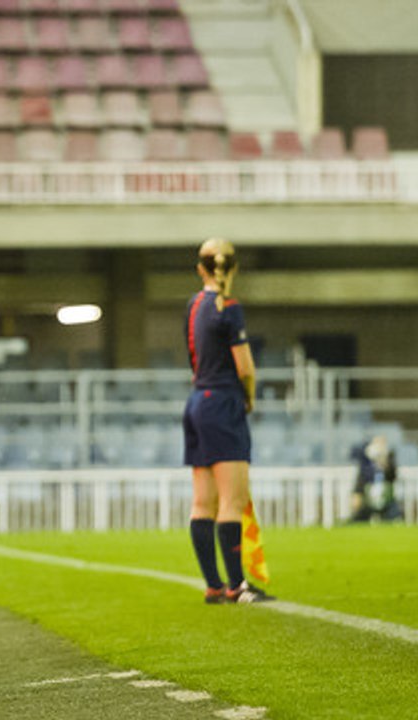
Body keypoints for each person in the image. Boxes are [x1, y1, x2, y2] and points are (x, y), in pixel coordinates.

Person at [182, 238, 273, 605]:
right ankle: (238, 585)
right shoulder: (229, 308)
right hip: (222, 403)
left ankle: (214, 585)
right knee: (231, 501)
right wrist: (248, 396)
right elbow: (245, 367)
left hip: (196, 403)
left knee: (202, 502)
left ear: (201, 268)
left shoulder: (193, 305)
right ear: (233, 269)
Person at [349, 435, 401, 522]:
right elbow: (361, 480)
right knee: (357, 520)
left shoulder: (390, 460)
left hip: (387, 501)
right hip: (369, 501)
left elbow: (392, 476)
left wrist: (383, 461)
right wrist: (357, 493)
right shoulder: (366, 464)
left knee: (395, 518)